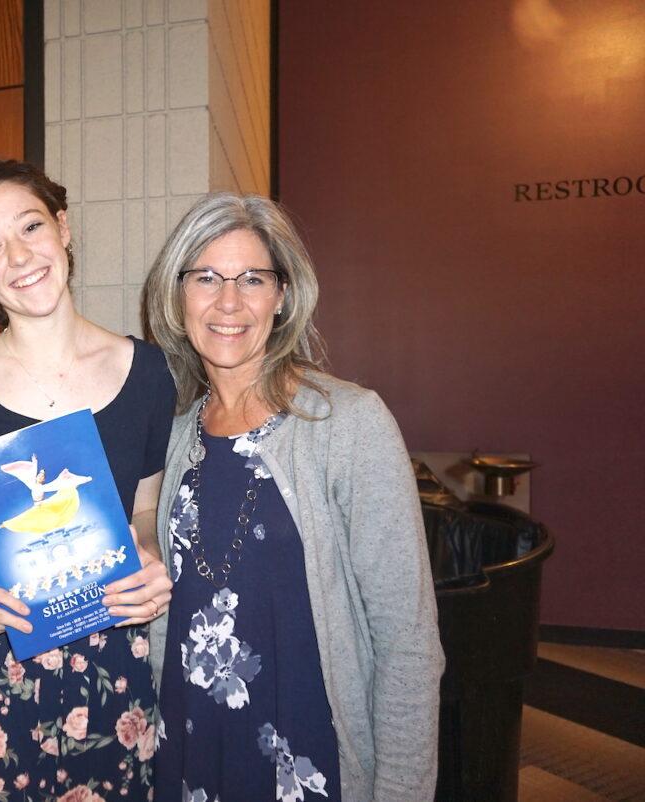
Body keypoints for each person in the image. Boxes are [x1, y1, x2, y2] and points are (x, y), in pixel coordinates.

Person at [142, 193, 444, 802]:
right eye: (206, 277)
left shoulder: (350, 423)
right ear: (178, 297)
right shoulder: (171, 435)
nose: (229, 301)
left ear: (282, 297)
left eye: (252, 278)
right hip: (190, 751)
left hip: (308, 760)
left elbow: (408, 643)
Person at [0, 157, 176, 800]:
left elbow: (144, 511)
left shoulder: (146, 373)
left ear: (62, 227)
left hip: (114, 667)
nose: (19, 256)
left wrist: (149, 554)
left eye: (31, 226)